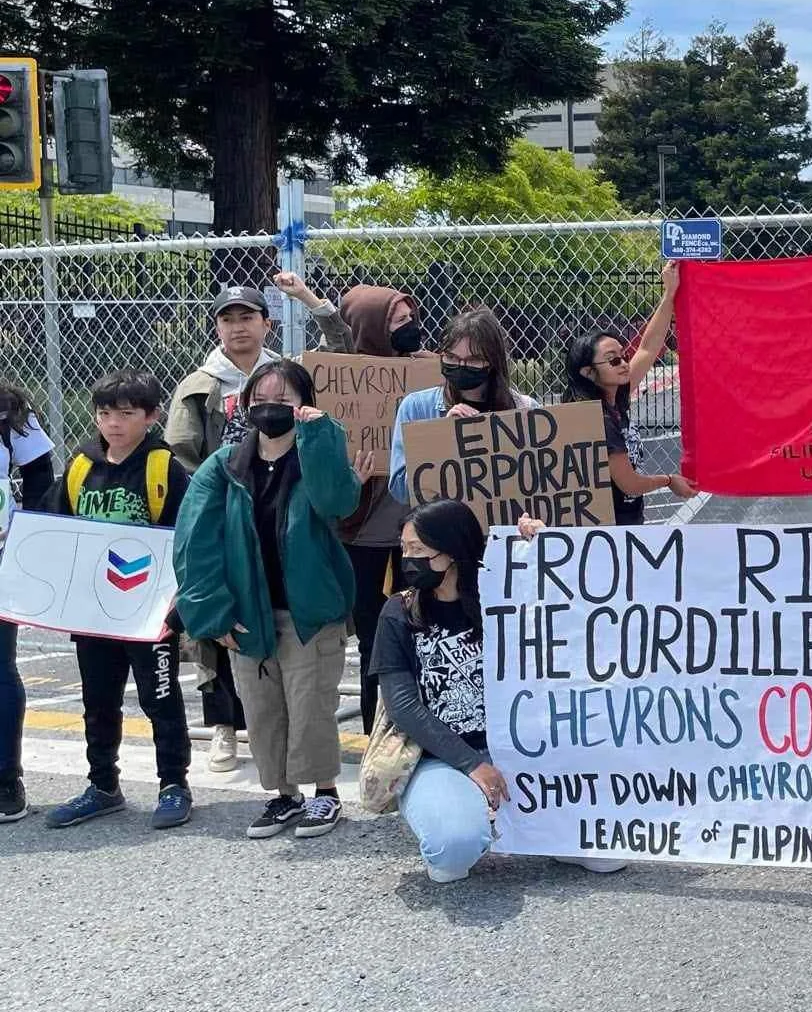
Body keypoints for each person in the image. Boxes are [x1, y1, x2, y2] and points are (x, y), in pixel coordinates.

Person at [378, 503, 628, 883]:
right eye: (404, 549)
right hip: (441, 756)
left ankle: (540, 832)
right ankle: (465, 819)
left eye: (417, 551)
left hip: (521, 748)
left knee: (606, 849)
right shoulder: (399, 612)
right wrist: (471, 765)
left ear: (451, 551)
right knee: (452, 853)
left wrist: (539, 548)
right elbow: (404, 707)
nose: (407, 560)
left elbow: (577, 613)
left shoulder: (502, 592)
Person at [173, 359, 361, 841]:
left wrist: (320, 437)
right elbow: (195, 541)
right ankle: (283, 795)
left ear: (305, 405)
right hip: (248, 611)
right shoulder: (225, 465)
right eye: (261, 398)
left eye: (284, 398)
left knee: (311, 707)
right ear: (245, 405)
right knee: (261, 710)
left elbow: (337, 502)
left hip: (310, 612)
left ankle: (325, 794)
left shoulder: (318, 452)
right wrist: (211, 615)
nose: (270, 407)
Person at [168, 279, 344, 772]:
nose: (237, 326)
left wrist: (314, 301)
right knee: (224, 640)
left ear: (267, 322)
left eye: (247, 316)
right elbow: (184, 458)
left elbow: (342, 353)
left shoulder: (287, 374)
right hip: (229, 516)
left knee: (296, 669)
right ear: (217, 327)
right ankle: (225, 728)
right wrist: (213, 507)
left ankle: (315, 785)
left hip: (289, 517)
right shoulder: (201, 384)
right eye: (227, 318)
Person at [35, 371, 195, 830]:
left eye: (127, 414)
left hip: (149, 612)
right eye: (105, 413)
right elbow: (53, 525)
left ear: (152, 416)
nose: (114, 423)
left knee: (160, 697)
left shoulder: (163, 468)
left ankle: (174, 784)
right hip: (93, 611)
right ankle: (103, 784)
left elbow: (187, 538)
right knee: (98, 700)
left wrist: (178, 604)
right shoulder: (81, 466)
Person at [325, 283, 434, 733]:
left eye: (410, 317)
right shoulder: (342, 378)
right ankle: (379, 730)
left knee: (427, 628)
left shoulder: (429, 374)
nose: (409, 327)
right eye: (396, 320)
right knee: (376, 639)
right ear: (370, 327)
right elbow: (334, 339)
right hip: (365, 535)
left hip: (419, 532)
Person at [564, 263, 695, 526]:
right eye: (613, 361)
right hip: (607, 530)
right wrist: (669, 481)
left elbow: (648, 347)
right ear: (588, 373)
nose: (624, 363)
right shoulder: (597, 419)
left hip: (624, 523)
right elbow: (630, 484)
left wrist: (669, 294)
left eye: (623, 356)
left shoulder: (614, 397)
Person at [389, 305, 540, 504]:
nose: (461, 366)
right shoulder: (417, 407)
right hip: (444, 529)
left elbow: (540, 480)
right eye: (451, 358)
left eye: (473, 360)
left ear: (492, 363)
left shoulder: (525, 409)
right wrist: (443, 440)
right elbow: (401, 490)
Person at [0, 381, 56, 823]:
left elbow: (39, 474)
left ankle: (5, 779)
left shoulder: (9, 409)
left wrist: (27, 533)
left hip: (1, 556)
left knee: (0, 667)